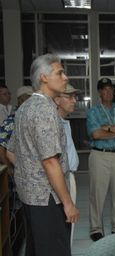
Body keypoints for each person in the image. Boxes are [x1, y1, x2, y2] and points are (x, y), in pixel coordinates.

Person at [6, 54, 80, 256]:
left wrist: (29, 177)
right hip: (48, 198)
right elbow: (50, 161)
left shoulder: (24, 107)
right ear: (44, 78)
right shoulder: (45, 110)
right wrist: (68, 203)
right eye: (60, 72)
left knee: (37, 249)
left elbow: (11, 151)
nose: (65, 77)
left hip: (31, 198)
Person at [87, 77, 115, 241]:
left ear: (113, 91)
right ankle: (96, 229)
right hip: (100, 155)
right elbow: (96, 134)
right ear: (99, 92)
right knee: (97, 194)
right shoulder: (93, 112)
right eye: (104, 89)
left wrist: (108, 128)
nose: (108, 92)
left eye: (110, 89)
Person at [53, 84, 81, 247]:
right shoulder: (53, 123)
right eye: (69, 97)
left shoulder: (64, 122)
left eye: (74, 97)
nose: (74, 101)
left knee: (67, 229)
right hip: (60, 178)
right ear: (57, 100)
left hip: (68, 176)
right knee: (62, 229)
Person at [0, 86, 34, 173]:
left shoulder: (33, 117)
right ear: (20, 100)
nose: (33, 101)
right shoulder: (13, 119)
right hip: (22, 172)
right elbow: (1, 147)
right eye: (29, 98)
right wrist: (9, 169)